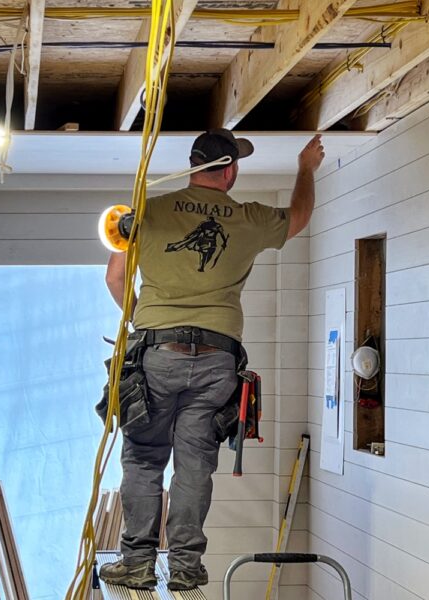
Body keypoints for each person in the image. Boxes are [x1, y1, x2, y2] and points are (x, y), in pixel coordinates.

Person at [100, 129, 324, 591]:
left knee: (144, 458)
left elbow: (116, 277)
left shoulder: (147, 211)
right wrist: (305, 169)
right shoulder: (249, 218)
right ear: (230, 170)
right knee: (195, 464)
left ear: (195, 164)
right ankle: (184, 566)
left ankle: (138, 563)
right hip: (217, 360)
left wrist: (145, 320)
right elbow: (300, 215)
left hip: (156, 353)